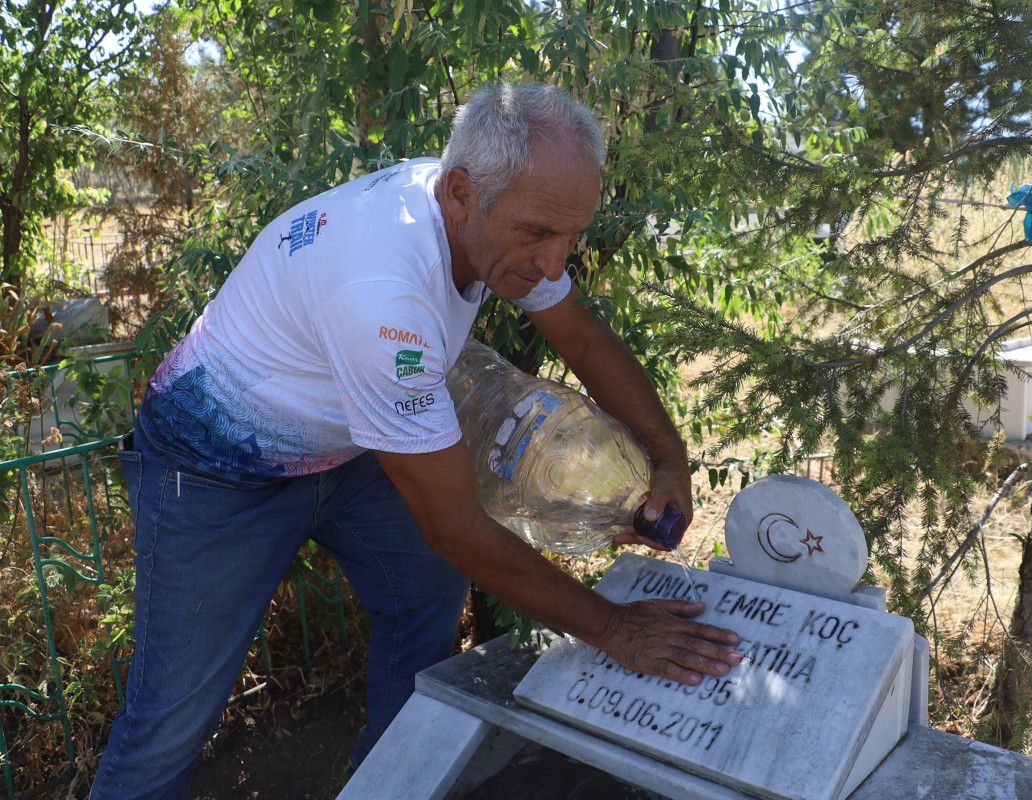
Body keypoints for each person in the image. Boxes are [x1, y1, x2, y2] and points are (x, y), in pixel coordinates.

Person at [89, 82, 740, 799]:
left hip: (343, 447)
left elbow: (581, 336)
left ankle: (394, 782)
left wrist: (667, 454)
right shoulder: (384, 293)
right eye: (538, 236)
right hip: (212, 471)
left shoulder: (497, 211)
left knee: (425, 602)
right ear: (461, 193)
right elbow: (454, 525)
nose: (555, 264)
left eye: (572, 237)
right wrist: (616, 629)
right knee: (171, 719)